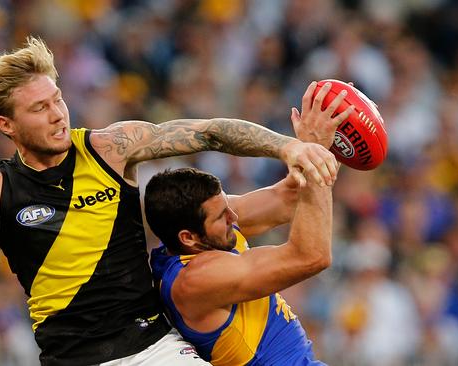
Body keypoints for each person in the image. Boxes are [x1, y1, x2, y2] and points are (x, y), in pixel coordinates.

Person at [0, 36, 349, 365]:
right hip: (75, 356)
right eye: (39, 108)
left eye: (58, 99)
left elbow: (208, 132)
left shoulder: (109, 148)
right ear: (7, 125)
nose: (58, 115)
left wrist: (288, 147)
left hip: (151, 343)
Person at [145, 87, 349, 365]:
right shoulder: (195, 280)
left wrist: (318, 144)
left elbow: (288, 197)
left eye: (227, 203)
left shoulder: (208, 226)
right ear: (188, 237)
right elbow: (311, 256)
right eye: (221, 216)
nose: (234, 216)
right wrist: (317, 152)